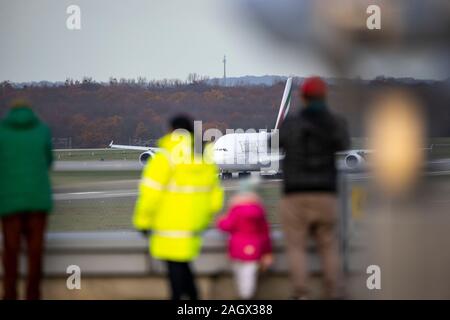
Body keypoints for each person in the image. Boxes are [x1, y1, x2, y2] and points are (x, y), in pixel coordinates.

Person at [133, 114, 224, 300]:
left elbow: (150, 194)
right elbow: (215, 197)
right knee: (184, 267)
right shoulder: (204, 158)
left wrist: (142, 222)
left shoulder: (165, 157)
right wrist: (203, 217)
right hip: (194, 225)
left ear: (170, 131)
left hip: (168, 225)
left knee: (175, 271)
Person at [279, 76, 350, 299]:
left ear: (303, 97)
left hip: (295, 193)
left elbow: (280, 141)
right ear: (325, 96)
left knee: (296, 247)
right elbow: (344, 144)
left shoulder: (292, 123)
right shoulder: (336, 122)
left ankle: (301, 293)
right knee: (329, 246)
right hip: (325, 192)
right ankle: (335, 291)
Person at [0, 99, 53, 300]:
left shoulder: (2, 132)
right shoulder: (42, 130)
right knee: (35, 252)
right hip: (37, 200)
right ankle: (33, 294)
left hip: (10, 201)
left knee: (10, 252)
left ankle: (9, 294)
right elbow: (48, 160)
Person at [216, 177, 273, 300]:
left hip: (236, 247)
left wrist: (220, 221)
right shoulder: (259, 210)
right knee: (249, 275)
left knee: (239, 274)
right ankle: (246, 296)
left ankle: (242, 294)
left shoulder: (236, 209)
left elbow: (227, 226)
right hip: (254, 249)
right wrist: (267, 252)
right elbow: (265, 233)